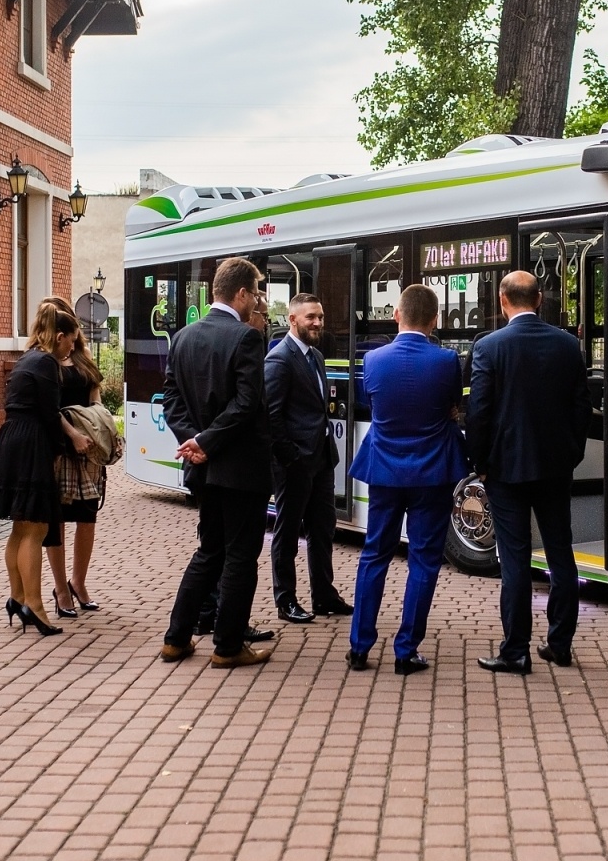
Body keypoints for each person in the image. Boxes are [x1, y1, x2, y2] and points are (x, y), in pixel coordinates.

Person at [466, 271, 590, 673]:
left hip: (505, 467)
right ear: (539, 299)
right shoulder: (569, 345)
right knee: (560, 552)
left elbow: (479, 412)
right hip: (556, 465)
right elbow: (580, 409)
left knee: (515, 558)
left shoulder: (488, 346)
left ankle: (515, 650)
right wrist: (572, 454)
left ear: (503, 301)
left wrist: (479, 463)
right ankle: (561, 643)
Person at [159, 257, 277, 669]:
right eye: (257, 292)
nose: (258, 300)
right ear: (241, 294)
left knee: (208, 551)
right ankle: (227, 646)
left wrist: (191, 441)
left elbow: (170, 399)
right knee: (241, 556)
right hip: (241, 468)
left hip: (202, 469)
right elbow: (247, 404)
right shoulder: (246, 338)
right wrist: (206, 441)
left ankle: (176, 639)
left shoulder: (184, 337)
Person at [346, 284, 465, 676]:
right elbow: (452, 406)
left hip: (384, 468)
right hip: (432, 471)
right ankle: (405, 650)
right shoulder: (447, 361)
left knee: (374, 554)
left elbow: (374, 401)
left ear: (397, 315)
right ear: (435, 321)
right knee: (424, 560)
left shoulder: (374, 359)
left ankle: (360, 647)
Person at [0, 306, 92, 637]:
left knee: (20, 527)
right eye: (71, 341)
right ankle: (36, 606)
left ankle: (17, 597)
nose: (72, 347)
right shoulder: (45, 362)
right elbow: (49, 413)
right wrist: (63, 447)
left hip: (12, 437)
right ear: (59, 337)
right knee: (36, 529)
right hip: (31, 442)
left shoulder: (28, 357)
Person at [264, 293, 350, 624]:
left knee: (323, 528)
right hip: (295, 463)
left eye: (321, 317)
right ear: (293, 320)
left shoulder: (315, 355)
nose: (317, 323)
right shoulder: (279, 359)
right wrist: (291, 457)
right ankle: (285, 599)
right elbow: (272, 416)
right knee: (287, 532)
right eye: (311, 317)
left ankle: (323, 595)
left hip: (321, 459)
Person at [40, 296, 104, 619]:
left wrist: (100, 426)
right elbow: (47, 409)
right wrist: (72, 434)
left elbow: (96, 397)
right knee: (58, 522)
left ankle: (78, 581)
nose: (74, 336)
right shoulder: (43, 360)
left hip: (87, 452)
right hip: (59, 451)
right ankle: (60, 589)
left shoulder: (83, 360)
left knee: (87, 517)